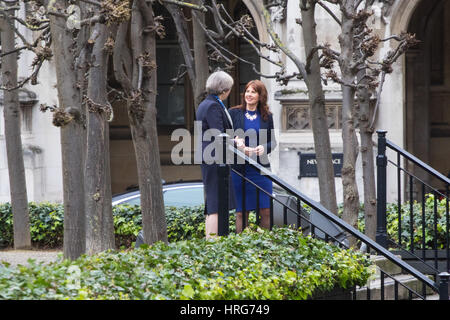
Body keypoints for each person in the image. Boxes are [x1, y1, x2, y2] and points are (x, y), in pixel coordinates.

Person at [229, 80, 276, 233]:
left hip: (261, 168)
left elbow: (273, 142)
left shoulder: (266, 116)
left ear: (260, 96)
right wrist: (236, 142)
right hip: (240, 169)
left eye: (253, 92)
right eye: (247, 91)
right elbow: (223, 137)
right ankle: (242, 248)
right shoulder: (234, 113)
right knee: (242, 212)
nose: (249, 95)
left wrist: (264, 147)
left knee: (266, 210)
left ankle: (263, 246)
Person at [196, 70, 236, 238]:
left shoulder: (206, 103)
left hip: (210, 157)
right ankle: (213, 244)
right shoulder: (213, 105)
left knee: (213, 202)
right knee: (215, 203)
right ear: (224, 89)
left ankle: (211, 241)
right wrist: (236, 142)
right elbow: (218, 134)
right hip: (215, 159)